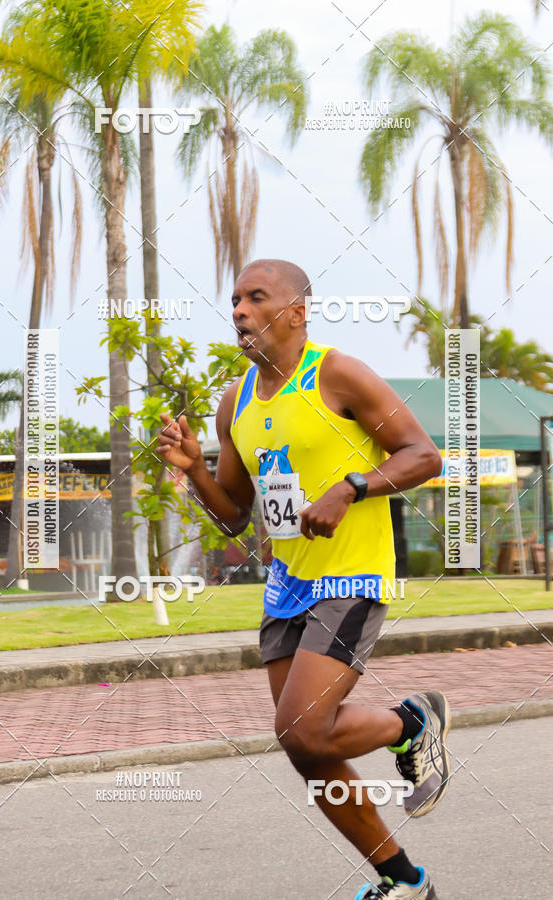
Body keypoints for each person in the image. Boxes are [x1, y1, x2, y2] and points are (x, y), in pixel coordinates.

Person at [158, 259, 449, 899]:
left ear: (295, 313)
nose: (239, 310)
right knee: (306, 749)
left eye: (255, 298)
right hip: (287, 583)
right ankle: (405, 880)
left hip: (350, 574)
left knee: (302, 728)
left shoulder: (337, 374)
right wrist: (195, 470)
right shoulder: (234, 400)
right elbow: (235, 515)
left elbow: (424, 454)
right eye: (234, 300)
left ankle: (413, 721)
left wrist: (350, 488)